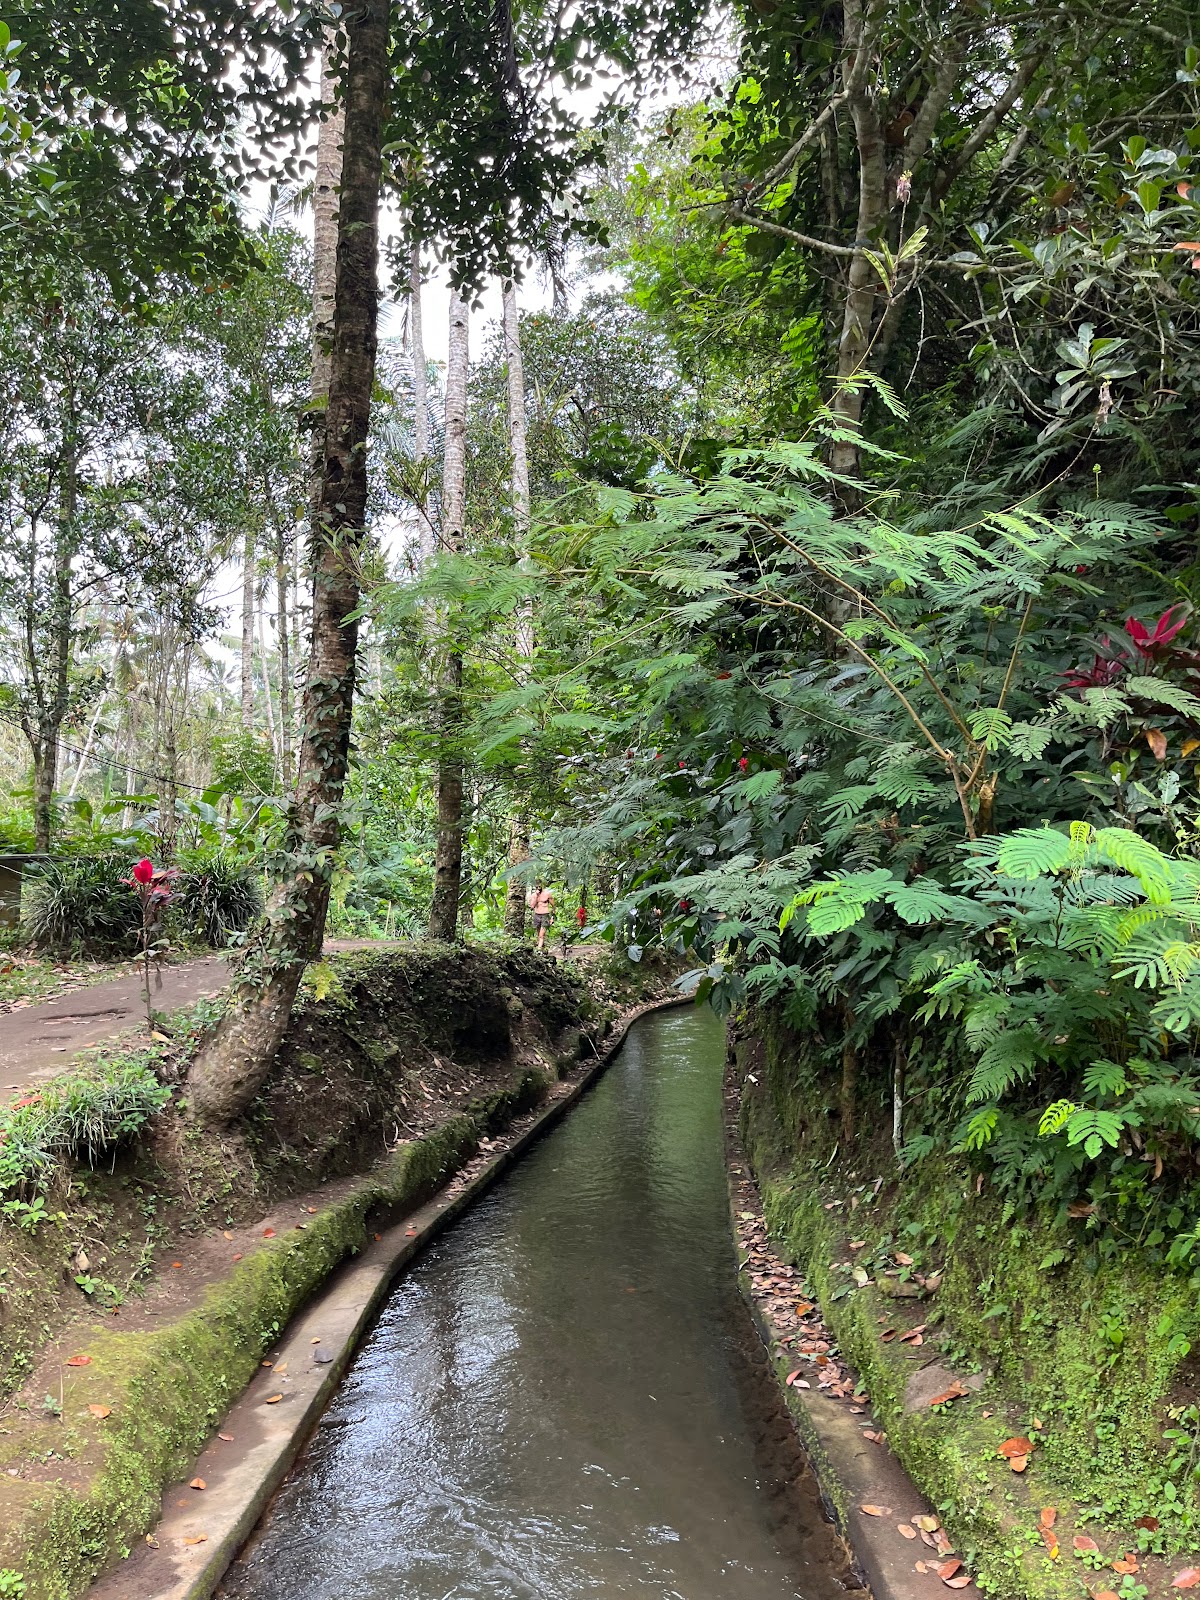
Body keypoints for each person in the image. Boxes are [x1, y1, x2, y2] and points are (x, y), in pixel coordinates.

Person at [529, 880, 555, 950]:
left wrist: (552, 917)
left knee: (541, 934)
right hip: (537, 915)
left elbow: (553, 906)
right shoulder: (533, 895)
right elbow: (532, 906)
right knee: (539, 934)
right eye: (537, 886)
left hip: (545, 915)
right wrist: (536, 896)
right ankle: (542, 947)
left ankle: (539, 950)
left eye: (540, 886)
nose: (538, 887)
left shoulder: (547, 894)